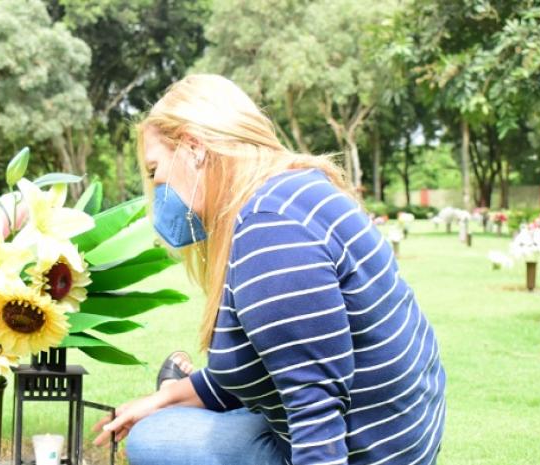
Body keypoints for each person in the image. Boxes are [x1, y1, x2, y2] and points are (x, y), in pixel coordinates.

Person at [92, 74, 446, 465]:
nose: (156, 188)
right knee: (164, 419)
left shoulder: (271, 232)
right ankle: (177, 393)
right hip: (396, 434)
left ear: (193, 147)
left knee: (153, 440)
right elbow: (262, 363)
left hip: (364, 451)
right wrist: (166, 397)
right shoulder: (294, 192)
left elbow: (315, 410)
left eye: (154, 170)